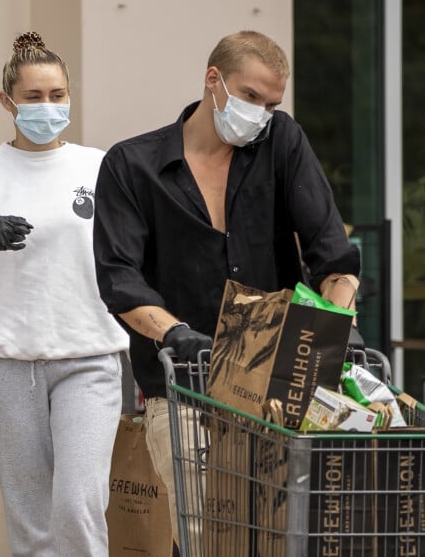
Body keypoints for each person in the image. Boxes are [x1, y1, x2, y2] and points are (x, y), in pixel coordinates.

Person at [93, 30, 361, 550]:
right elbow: (120, 280)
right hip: (185, 387)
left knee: (283, 536)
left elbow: (333, 253)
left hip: (279, 388)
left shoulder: (281, 142)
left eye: (271, 103)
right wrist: (177, 334)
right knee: (206, 534)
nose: (260, 113)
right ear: (213, 80)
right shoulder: (132, 166)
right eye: (250, 97)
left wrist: (335, 316)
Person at [0, 31, 128, 557]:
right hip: (8, 365)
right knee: (31, 522)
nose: (47, 106)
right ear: (6, 101)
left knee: (78, 505)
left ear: (69, 96)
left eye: (57, 95)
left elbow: (130, 265)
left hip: (90, 358)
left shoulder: (100, 167)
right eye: (33, 97)